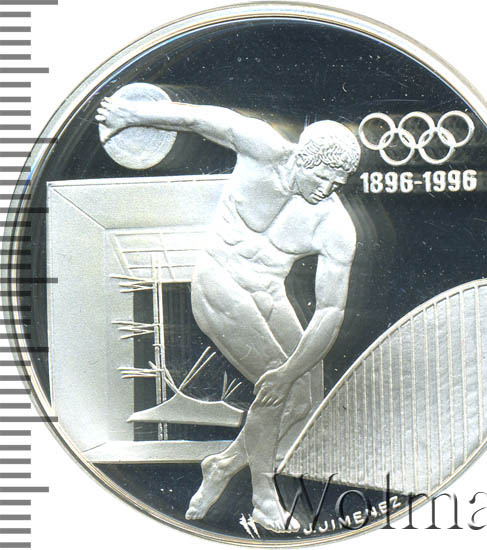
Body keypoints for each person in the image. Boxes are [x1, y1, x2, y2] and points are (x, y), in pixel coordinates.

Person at [96, 97, 360, 533]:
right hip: (219, 282)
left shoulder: (334, 225)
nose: (328, 189)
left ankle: (221, 466)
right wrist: (131, 114)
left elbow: (331, 312)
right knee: (275, 384)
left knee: (304, 400)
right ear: (302, 157)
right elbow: (196, 119)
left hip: (268, 293)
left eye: (338, 182)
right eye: (323, 176)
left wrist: (291, 371)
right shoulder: (260, 146)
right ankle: (263, 496)